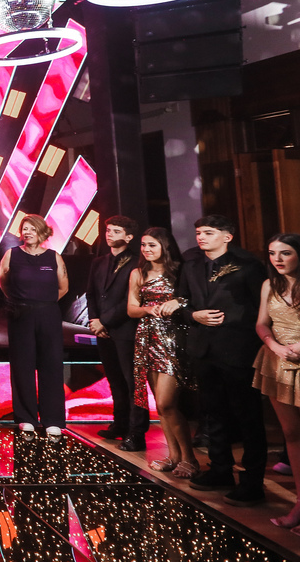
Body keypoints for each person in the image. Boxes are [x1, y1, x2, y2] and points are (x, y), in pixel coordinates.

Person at [173, 214, 268, 505]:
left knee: (247, 416)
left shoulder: (248, 265)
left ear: (227, 236)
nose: (201, 237)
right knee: (212, 413)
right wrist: (194, 316)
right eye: (199, 233)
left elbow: (263, 308)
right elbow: (181, 303)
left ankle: (252, 482)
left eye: (209, 232)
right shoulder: (191, 265)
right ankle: (220, 469)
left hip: (239, 349)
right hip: (203, 348)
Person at [127, 228, 198, 479]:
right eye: (143, 245)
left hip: (174, 339)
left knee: (168, 402)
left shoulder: (180, 270)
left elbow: (191, 299)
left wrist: (177, 304)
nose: (146, 250)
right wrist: (149, 309)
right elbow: (131, 309)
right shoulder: (138, 273)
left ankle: (190, 459)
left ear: (164, 247)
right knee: (160, 405)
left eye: (152, 245)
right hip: (147, 340)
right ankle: (174, 456)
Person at [0, 214, 69, 437]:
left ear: (42, 232)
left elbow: (63, 288)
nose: (27, 232)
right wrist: (21, 302)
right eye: (24, 228)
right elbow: (3, 282)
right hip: (20, 315)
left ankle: (53, 419)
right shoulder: (12, 255)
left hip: (48, 315)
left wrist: (44, 304)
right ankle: (25, 417)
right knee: (22, 365)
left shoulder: (54, 257)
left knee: (52, 364)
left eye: (32, 228)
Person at [87, 215, 148, 451]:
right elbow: (92, 294)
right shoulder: (99, 262)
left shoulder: (137, 262)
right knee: (114, 380)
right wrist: (95, 322)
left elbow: (129, 300)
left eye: (116, 231)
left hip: (126, 330)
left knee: (133, 383)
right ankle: (119, 424)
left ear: (129, 237)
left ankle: (136, 432)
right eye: (108, 230)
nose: (109, 234)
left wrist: (105, 321)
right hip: (103, 331)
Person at [253, 233, 300, 527]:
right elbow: (261, 323)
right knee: (292, 434)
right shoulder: (269, 284)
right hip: (277, 360)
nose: (277, 259)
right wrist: (274, 345)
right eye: (272, 253)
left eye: (285, 253)